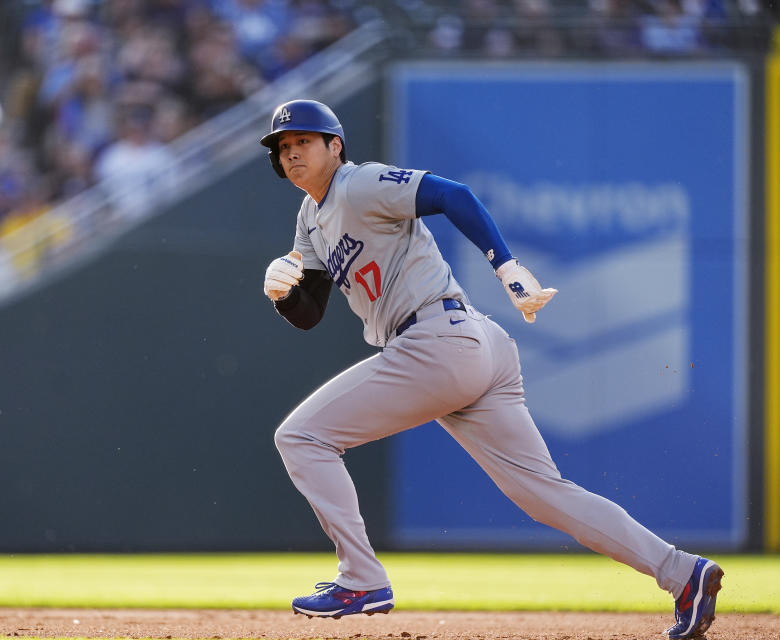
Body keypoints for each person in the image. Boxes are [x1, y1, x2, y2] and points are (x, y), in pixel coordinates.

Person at [258, 99, 723, 640]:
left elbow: (454, 195)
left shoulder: (358, 184)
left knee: (301, 437)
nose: (293, 154)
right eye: (285, 148)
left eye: (304, 143)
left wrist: (505, 264)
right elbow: (309, 313)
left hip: (435, 342)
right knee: (544, 493)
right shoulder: (310, 218)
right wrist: (282, 295)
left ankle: (360, 577)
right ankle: (683, 573)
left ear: (335, 146)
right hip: (473, 345)